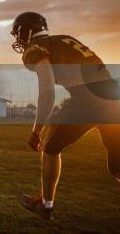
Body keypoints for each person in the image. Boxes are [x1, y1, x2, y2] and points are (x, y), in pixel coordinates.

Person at [12, 12, 120, 220]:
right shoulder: (65, 40)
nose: (18, 40)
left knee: (51, 146)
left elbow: (47, 92)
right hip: (114, 100)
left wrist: (36, 130)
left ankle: (45, 205)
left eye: (18, 34)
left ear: (27, 32)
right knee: (117, 167)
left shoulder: (37, 48)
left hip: (90, 100)